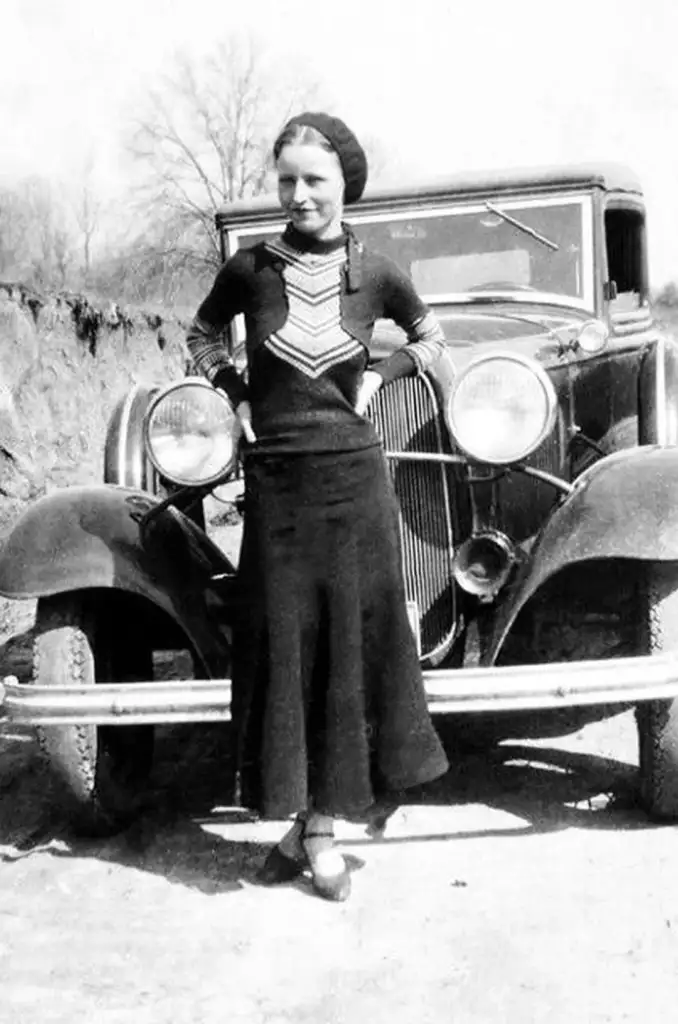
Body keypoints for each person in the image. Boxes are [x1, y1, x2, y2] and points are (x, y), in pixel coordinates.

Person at [186, 111, 449, 902]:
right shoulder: (249, 268)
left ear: (345, 186)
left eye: (316, 180)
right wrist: (233, 394)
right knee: (283, 646)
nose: (300, 196)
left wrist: (382, 374)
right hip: (276, 485)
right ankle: (305, 818)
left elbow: (433, 338)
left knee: (347, 648)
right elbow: (199, 336)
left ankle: (322, 824)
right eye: (288, 181)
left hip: (353, 482)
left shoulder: (381, 272)